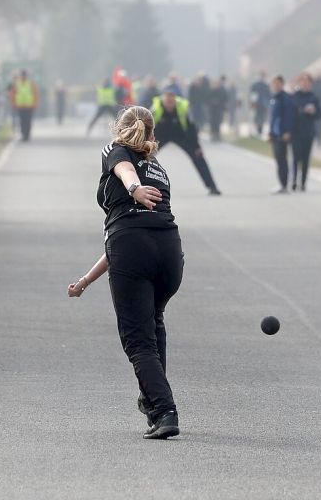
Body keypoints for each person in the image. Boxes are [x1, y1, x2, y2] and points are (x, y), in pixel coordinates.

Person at [67, 106, 182, 440]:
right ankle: (153, 399)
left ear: (120, 129)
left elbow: (124, 170)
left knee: (138, 340)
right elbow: (130, 237)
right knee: (154, 324)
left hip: (132, 248)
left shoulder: (115, 150)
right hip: (168, 251)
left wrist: (133, 190)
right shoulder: (158, 169)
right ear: (152, 133)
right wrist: (87, 280)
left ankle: (164, 409)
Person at [151, 89, 221, 196]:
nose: (169, 103)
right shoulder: (155, 108)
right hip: (160, 135)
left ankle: (212, 187)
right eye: (167, 100)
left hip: (181, 135)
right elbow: (147, 126)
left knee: (198, 156)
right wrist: (144, 144)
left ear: (175, 99)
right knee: (143, 157)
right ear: (163, 99)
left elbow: (191, 128)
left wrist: (197, 146)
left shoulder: (182, 107)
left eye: (171, 99)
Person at [291, 72, 321, 192]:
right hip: (296, 132)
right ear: (299, 83)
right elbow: (291, 113)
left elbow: (319, 114)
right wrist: (303, 111)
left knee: (306, 159)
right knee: (295, 158)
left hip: (308, 132)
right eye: (303, 81)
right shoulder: (294, 97)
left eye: (307, 82)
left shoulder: (313, 97)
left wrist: (313, 112)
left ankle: (303, 182)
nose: (305, 84)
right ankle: (293, 180)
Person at [267, 75, 295, 194]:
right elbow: (272, 118)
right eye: (273, 83)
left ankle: (284, 184)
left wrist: (288, 131)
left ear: (282, 84)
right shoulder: (274, 98)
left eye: (277, 83)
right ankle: (281, 183)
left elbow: (289, 116)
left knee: (282, 159)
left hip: (282, 133)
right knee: (278, 159)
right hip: (275, 134)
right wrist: (270, 132)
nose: (275, 86)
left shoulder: (285, 98)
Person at [10, 69, 39, 142]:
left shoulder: (31, 83)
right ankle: (23, 135)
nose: (23, 76)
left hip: (29, 106)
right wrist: (13, 104)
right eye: (22, 75)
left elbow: (35, 94)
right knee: (22, 122)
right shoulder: (17, 84)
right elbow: (13, 94)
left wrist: (35, 104)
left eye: (24, 75)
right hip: (20, 106)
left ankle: (27, 135)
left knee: (28, 121)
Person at [207, 76, 228, 142]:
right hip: (213, 109)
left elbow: (225, 98)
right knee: (213, 122)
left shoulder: (222, 90)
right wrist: (213, 101)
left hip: (219, 109)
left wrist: (223, 106)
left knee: (218, 122)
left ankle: (218, 134)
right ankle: (213, 134)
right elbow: (208, 98)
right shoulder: (212, 90)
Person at [249, 71, 271, 136]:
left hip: (262, 104)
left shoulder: (265, 85)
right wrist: (253, 103)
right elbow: (253, 94)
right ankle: (257, 130)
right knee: (257, 117)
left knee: (261, 117)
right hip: (258, 104)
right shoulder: (257, 85)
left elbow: (268, 95)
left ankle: (259, 129)